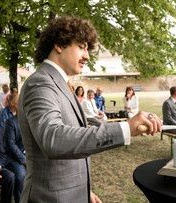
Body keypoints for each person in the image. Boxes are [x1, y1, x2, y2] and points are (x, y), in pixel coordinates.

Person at [18, 16, 161, 203]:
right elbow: (53, 138)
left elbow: (77, 127)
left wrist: (83, 191)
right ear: (59, 45)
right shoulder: (41, 82)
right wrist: (125, 128)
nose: (87, 56)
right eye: (81, 47)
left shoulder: (60, 82)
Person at [4, 114, 26, 203]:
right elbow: (10, 144)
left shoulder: (33, 119)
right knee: (21, 175)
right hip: (14, 157)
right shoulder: (11, 122)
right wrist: (24, 160)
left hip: (31, 155)